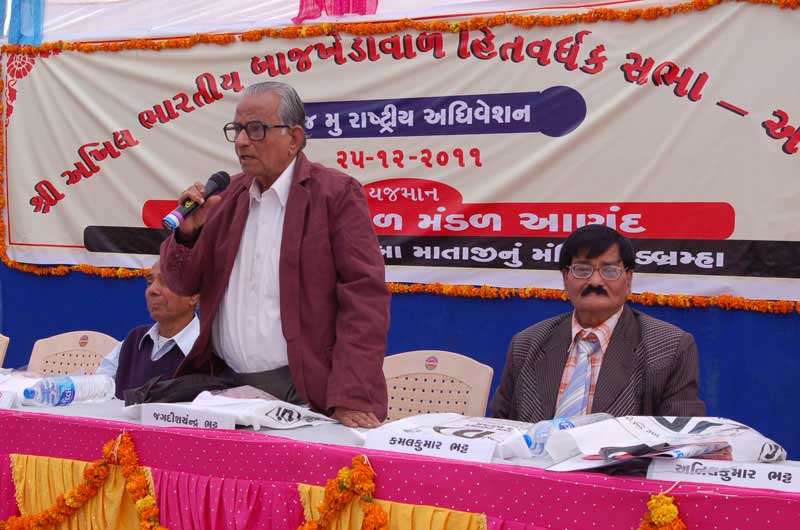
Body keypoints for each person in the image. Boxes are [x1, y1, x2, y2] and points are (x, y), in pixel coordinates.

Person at [159, 81, 390, 428]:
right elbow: (182, 283)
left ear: (294, 138)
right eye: (237, 129)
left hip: (306, 391)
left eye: (256, 129)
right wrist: (187, 235)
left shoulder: (335, 194)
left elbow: (364, 300)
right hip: (225, 387)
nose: (241, 141)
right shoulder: (226, 197)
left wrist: (350, 397)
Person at [490, 224, 706, 422]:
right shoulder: (527, 344)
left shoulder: (669, 348)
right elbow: (501, 428)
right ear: (565, 278)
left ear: (628, 280)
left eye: (609, 271)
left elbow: (680, 436)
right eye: (582, 270)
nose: (595, 281)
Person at [97, 260, 199, 399]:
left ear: (193, 296)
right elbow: (100, 387)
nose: (152, 290)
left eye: (166, 282)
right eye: (149, 282)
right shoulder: (134, 341)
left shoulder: (208, 351)